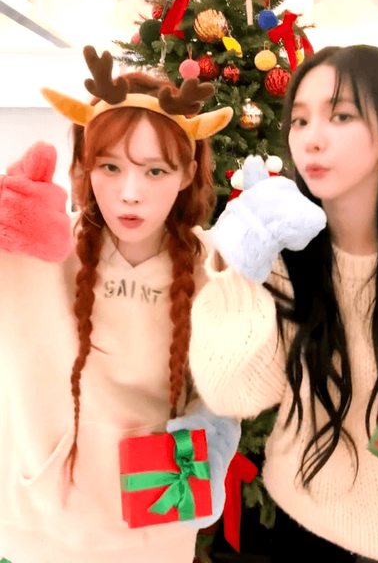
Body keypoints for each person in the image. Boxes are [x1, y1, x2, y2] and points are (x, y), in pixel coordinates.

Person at [188, 44, 378, 563]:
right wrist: (240, 270)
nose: (312, 138)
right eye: (300, 120)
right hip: (297, 521)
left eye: (341, 116)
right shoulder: (284, 253)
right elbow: (235, 393)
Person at [0, 45, 242, 563]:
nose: (130, 193)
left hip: (153, 530)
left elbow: (233, 387)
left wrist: (213, 437)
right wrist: (7, 225)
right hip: (40, 528)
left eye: (155, 171)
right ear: (85, 168)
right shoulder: (42, 243)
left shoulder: (213, 265)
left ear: (186, 174)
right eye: (110, 167)